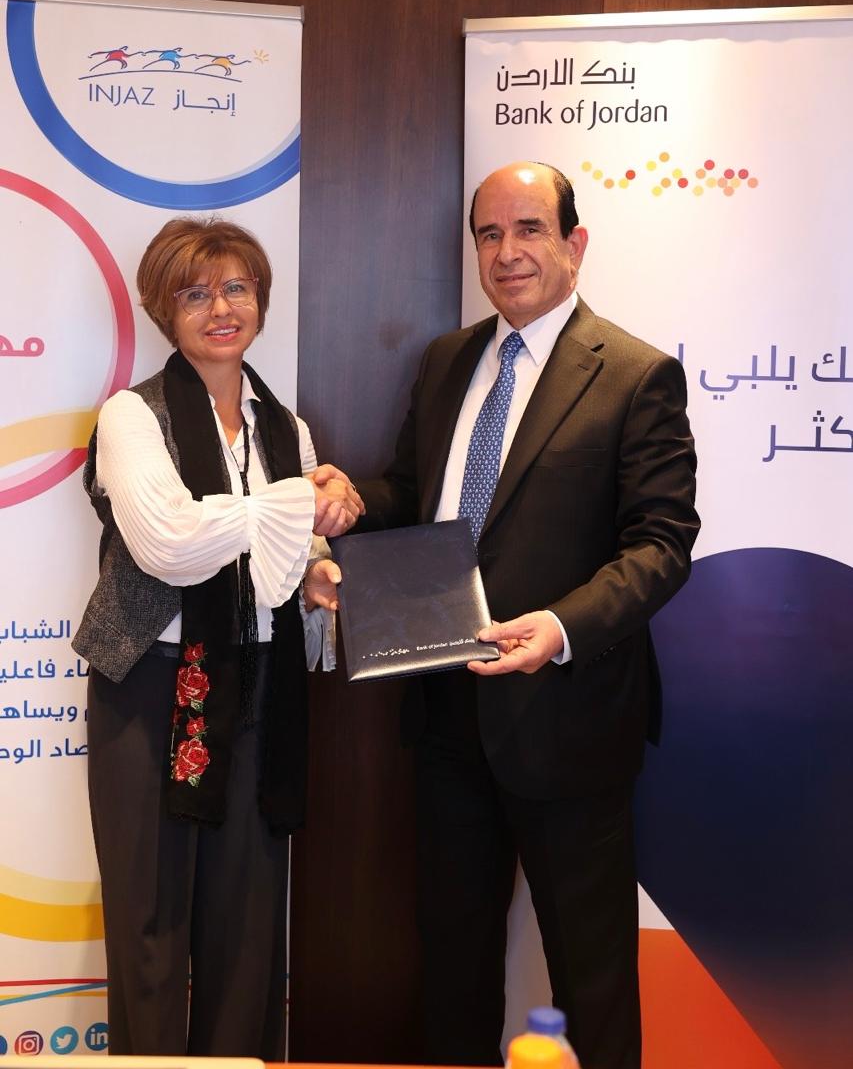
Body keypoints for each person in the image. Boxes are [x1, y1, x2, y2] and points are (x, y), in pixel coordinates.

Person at [341, 161, 699, 1069]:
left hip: (568, 722)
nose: (507, 253)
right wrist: (352, 499)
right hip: (445, 710)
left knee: (591, 981)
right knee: (452, 970)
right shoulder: (446, 360)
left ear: (574, 244)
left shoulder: (635, 375)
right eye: (489, 234)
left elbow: (660, 544)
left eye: (529, 229)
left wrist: (561, 628)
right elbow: (418, 494)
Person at [73, 216, 361, 1058]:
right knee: (149, 920)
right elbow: (168, 542)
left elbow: (283, 558)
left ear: (261, 301)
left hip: (257, 681)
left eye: (237, 288)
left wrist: (314, 569)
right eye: (195, 294)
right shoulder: (132, 415)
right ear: (164, 311)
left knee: (248, 920)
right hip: (146, 684)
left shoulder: (287, 429)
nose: (221, 309)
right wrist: (293, 505)